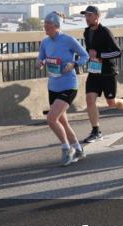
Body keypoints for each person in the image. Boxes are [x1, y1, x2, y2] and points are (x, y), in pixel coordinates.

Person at [36, 12, 89, 166]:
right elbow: (41, 57)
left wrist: (74, 64)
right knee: (62, 122)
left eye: (48, 25)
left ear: (57, 27)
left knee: (51, 119)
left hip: (68, 85)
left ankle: (67, 149)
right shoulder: (45, 42)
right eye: (44, 25)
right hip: (53, 86)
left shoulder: (68, 40)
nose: (45, 27)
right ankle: (78, 149)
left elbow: (85, 55)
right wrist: (39, 63)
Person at [81, 6, 123, 144]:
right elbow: (90, 51)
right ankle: (96, 131)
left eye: (89, 15)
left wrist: (99, 55)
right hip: (94, 72)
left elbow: (117, 52)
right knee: (90, 100)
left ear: (97, 16)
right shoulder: (87, 32)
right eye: (86, 16)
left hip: (108, 72)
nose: (87, 18)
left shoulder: (105, 32)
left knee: (111, 103)